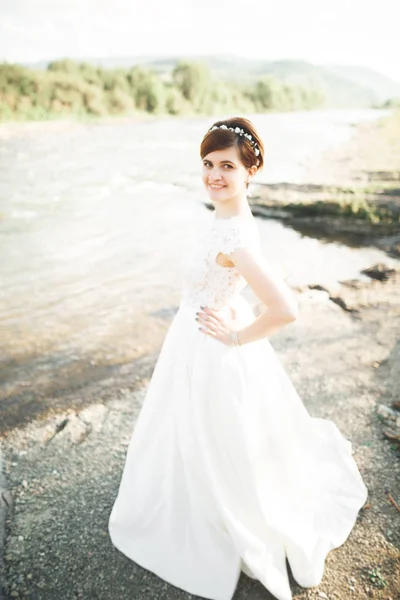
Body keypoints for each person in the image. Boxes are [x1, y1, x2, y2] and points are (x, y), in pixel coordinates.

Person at [108, 117, 368, 600]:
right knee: (197, 430)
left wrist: (238, 337)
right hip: (197, 335)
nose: (213, 175)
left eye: (227, 165)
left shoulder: (235, 236)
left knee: (215, 435)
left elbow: (285, 309)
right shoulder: (226, 218)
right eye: (207, 164)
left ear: (252, 170)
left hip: (212, 344)